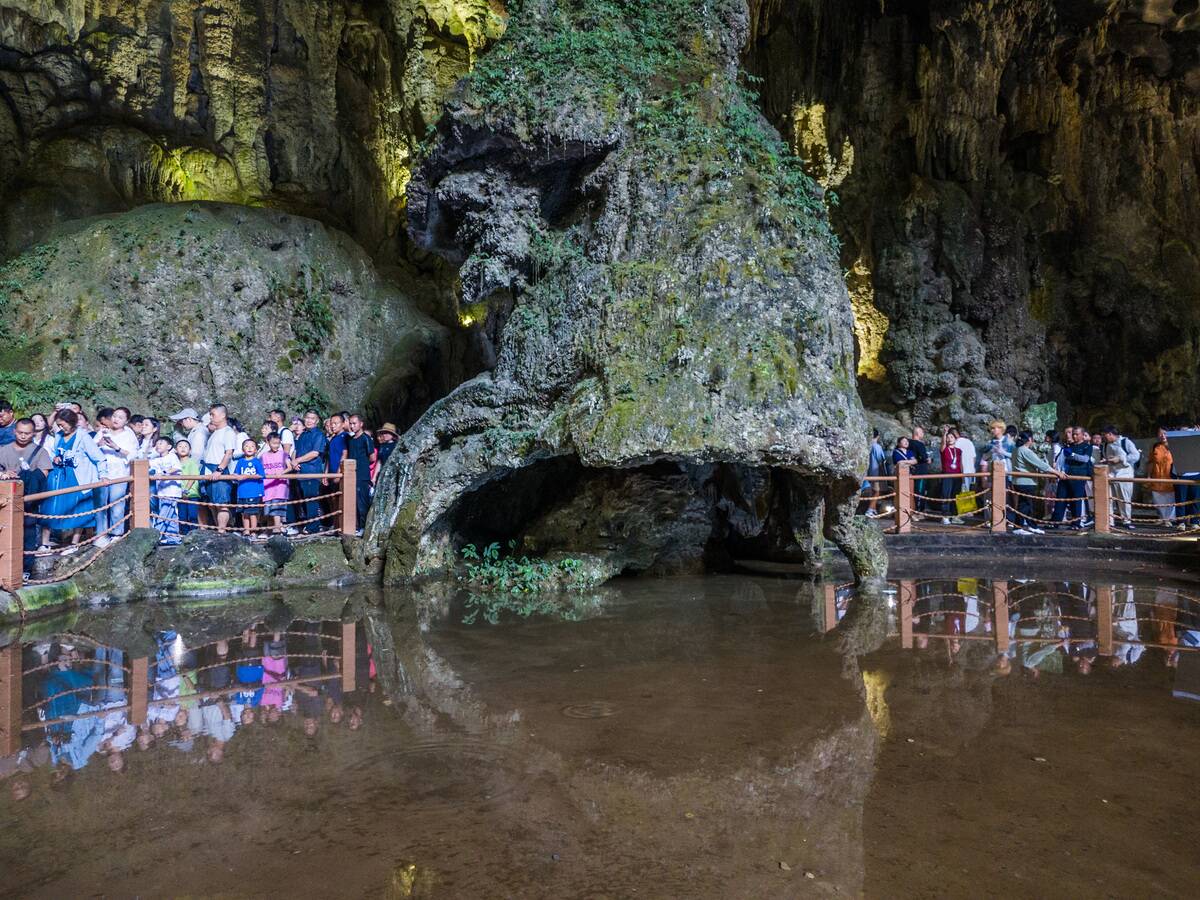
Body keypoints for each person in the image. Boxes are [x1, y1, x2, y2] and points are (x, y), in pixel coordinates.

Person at [42, 409, 105, 553]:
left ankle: (74, 543)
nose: (60, 427)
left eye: (63, 425)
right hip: (59, 475)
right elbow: (55, 452)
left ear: (71, 423)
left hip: (77, 476)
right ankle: (44, 543)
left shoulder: (83, 436)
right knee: (51, 506)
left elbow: (98, 457)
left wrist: (103, 474)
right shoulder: (58, 435)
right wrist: (55, 458)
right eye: (59, 425)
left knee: (78, 508)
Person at [0, 418, 53, 576]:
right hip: (6, 499)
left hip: (28, 501)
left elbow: (43, 473)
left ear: (33, 433)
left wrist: (26, 476)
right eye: (20, 433)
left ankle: (25, 569)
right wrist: (4, 474)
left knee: (28, 533)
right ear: (14, 432)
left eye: (27, 433)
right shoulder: (4, 450)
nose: (23, 436)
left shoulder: (41, 452)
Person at [94, 407, 139, 545]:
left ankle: (116, 533)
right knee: (100, 505)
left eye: (120, 417)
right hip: (101, 473)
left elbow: (133, 455)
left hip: (119, 473)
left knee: (117, 504)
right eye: (114, 416)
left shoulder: (129, 434)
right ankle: (101, 534)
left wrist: (115, 447)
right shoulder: (103, 431)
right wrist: (98, 444)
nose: (116, 419)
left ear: (126, 421)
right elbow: (91, 448)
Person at [1012, 431, 1061, 535]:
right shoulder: (1025, 451)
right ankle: (1018, 527)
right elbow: (1040, 464)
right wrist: (1057, 472)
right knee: (1025, 505)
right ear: (1029, 439)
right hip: (1026, 482)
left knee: (1026, 504)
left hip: (1019, 481)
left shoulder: (1016, 450)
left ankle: (1031, 525)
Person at [201, 404, 240, 531]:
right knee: (212, 503)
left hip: (219, 468)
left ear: (223, 415)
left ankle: (222, 530)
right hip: (208, 468)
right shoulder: (215, 432)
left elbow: (228, 453)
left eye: (213, 414)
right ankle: (219, 528)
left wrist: (219, 470)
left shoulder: (228, 432)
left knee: (222, 502)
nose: (211, 417)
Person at [293, 411, 328, 534]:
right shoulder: (303, 435)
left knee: (311, 500)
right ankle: (310, 525)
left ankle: (313, 527)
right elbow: (296, 450)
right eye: (307, 417)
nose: (309, 420)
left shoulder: (318, 435)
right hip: (301, 472)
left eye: (312, 418)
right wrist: (294, 461)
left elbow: (315, 453)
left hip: (312, 471)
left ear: (317, 421)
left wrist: (298, 460)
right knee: (304, 500)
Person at [1053, 427, 1093, 527]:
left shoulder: (1087, 447)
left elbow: (1085, 459)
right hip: (1065, 475)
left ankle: (1076, 523)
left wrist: (1072, 454)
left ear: (1082, 435)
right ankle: (1055, 522)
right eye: (1073, 434)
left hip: (1078, 477)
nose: (1074, 436)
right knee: (1060, 499)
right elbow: (1064, 459)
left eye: (1076, 434)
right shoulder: (1069, 445)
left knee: (1076, 500)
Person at [148, 436, 183, 545]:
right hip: (161, 492)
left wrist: (164, 473)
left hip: (171, 491)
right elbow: (146, 463)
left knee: (163, 514)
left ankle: (155, 536)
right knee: (171, 515)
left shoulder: (172, 456)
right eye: (157, 443)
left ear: (169, 446)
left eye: (161, 443)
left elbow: (177, 467)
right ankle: (173, 538)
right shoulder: (157, 460)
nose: (158, 445)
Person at [344, 415, 376, 531]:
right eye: (351, 424)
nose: (352, 426)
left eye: (354, 423)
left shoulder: (365, 438)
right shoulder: (350, 439)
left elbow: (372, 458)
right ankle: (356, 526)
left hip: (362, 474)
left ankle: (364, 527)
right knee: (353, 500)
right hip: (351, 473)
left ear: (361, 424)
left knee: (362, 500)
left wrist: (362, 462)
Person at [1101, 424, 1136, 527]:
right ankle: (1110, 521)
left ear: (1110, 434)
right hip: (1110, 474)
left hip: (1124, 474)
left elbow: (1135, 455)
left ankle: (1126, 521)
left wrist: (1121, 459)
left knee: (1124, 499)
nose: (1104, 437)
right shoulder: (1105, 445)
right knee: (1108, 498)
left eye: (1105, 435)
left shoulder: (1125, 442)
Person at [260, 432, 293, 534]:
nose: (276, 446)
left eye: (278, 443)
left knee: (277, 506)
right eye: (273, 443)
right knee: (268, 508)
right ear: (268, 442)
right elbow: (260, 469)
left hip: (280, 486)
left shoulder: (284, 454)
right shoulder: (263, 456)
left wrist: (281, 472)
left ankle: (277, 528)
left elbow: (290, 467)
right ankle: (270, 529)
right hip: (268, 486)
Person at [231, 439, 265, 537]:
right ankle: (246, 530)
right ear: (242, 449)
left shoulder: (257, 462)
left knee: (253, 512)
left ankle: (253, 531)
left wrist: (247, 476)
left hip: (254, 491)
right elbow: (236, 473)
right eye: (247, 446)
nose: (249, 448)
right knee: (244, 513)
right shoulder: (240, 461)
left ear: (255, 450)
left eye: (252, 446)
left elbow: (261, 475)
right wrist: (235, 476)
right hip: (242, 491)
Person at [1146, 427, 1177, 525]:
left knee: (1170, 499)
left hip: (1170, 477)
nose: (1163, 436)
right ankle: (1162, 518)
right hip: (1157, 477)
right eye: (1160, 433)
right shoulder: (1155, 446)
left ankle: (1169, 519)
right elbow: (1150, 462)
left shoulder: (1175, 446)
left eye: (1165, 433)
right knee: (1158, 499)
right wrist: (1148, 476)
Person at [939, 427, 964, 523]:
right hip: (947, 475)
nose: (949, 439)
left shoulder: (958, 451)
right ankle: (945, 516)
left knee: (956, 496)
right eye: (948, 437)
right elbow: (943, 444)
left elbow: (960, 463)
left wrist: (962, 475)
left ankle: (955, 516)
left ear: (955, 439)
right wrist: (945, 433)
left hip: (957, 475)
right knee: (946, 495)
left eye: (951, 437)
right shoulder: (944, 449)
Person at [864, 430, 886, 518]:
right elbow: (881, 459)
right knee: (876, 491)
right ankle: (870, 509)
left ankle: (873, 508)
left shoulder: (866, 445)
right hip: (876, 472)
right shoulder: (876, 446)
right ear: (878, 436)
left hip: (868, 472)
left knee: (872, 490)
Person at [910, 426, 931, 512]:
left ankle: (911, 508)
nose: (923, 434)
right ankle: (919, 510)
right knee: (920, 490)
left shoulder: (908, 443)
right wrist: (929, 459)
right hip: (921, 471)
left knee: (911, 490)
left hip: (911, 471)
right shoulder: (920, 444)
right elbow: (924, 458)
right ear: (918, 434)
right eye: (922, 432)